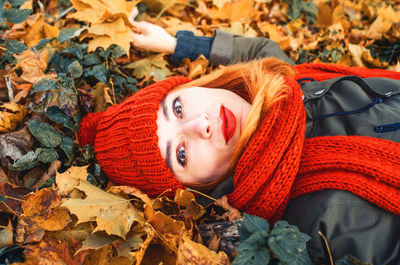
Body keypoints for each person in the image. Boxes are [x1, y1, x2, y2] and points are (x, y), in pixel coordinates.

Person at [77, 12, 400, 265]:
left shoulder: (281, 84)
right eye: (181, 154)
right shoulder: (318, 223)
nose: (200, 124)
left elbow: (261, 50)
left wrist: (178, 44)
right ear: (196, 190)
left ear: (190, 87)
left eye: (177, 107)